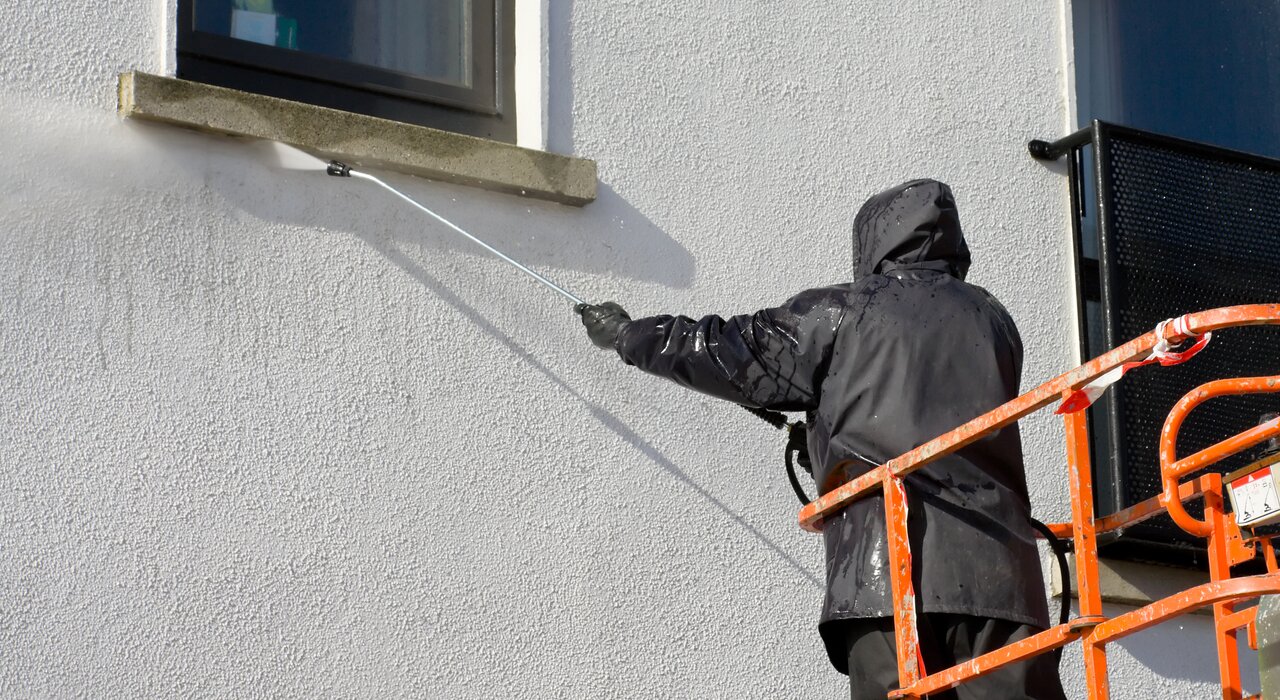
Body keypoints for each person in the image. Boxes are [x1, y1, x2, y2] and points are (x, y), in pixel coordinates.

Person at [576, 180, 1066, 699]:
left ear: (875, 241)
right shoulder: (993, 320)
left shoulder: (849, 311)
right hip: (1004, 579)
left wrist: (631, 336)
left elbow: (731, 352)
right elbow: (928, 419)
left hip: (887, 576)